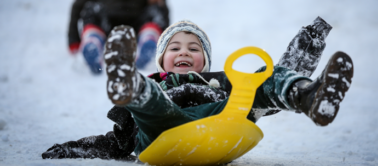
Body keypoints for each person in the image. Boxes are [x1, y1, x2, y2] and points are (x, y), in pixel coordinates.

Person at [42, 20, 354, 161]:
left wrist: (307, 46)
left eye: (194, 48)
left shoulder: (222, 80)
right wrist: (73, 147)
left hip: (222, 119)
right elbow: (114, 144)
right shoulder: (160, 81)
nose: (184, 53)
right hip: (161, 130)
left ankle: (310, 97)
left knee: (261, 79)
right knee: (149, 100)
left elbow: (266, 97)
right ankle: (128, 83)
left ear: (205, 60)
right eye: (175, 47)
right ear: (163, 59)